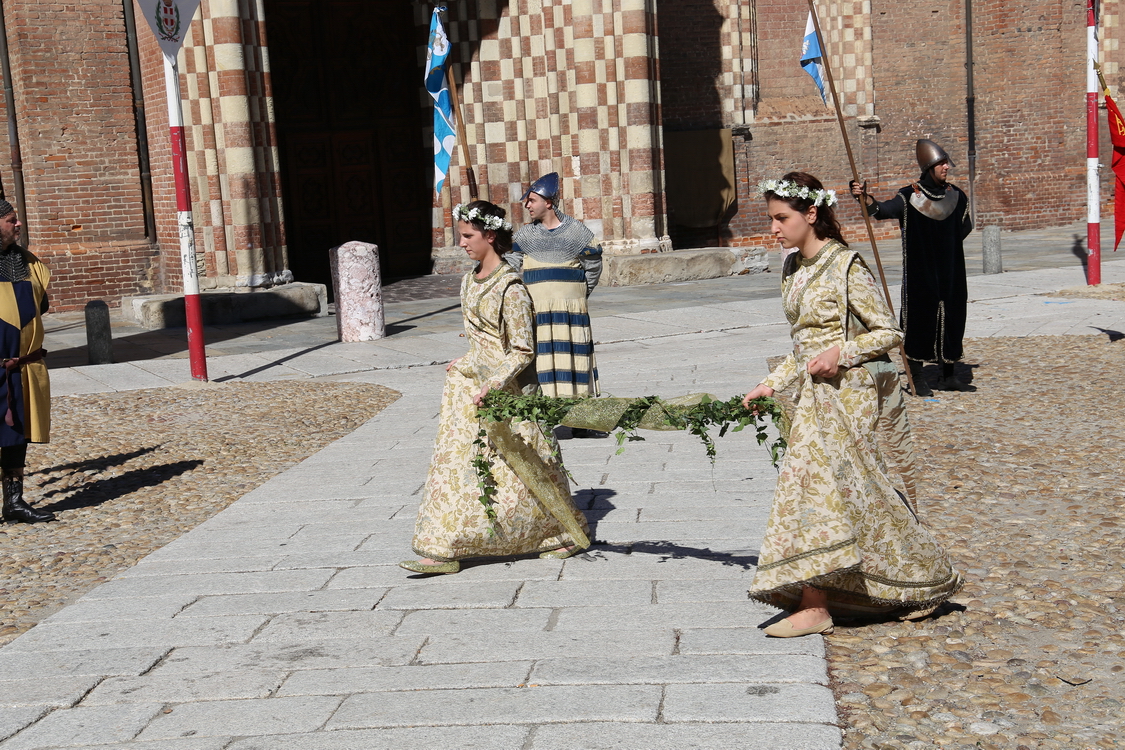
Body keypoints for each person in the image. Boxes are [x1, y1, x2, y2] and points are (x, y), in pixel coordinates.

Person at [742, 173, 962, 637]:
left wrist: (841, 353)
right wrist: (770, 383)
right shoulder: (792, 269)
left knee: (821, 489)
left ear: (811, 214)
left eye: (782, 218)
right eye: (772, 219)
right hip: (811, 397)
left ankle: (816, 603)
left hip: (848, 395)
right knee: (852, 493)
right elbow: (800, 345)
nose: (775, 228)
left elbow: (889, 331)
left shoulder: (846, 267)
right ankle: (917, 580)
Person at [401, 200, 590, 574]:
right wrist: (466, 360)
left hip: (510, 391)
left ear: (490, 236)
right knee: (459, 468)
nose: (463, 243)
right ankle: (445, 547)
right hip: (471, 387)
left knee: (530, 462)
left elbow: (521, 351)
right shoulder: (469, 280)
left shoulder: (512, 288)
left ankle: (562, 535)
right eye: (461, 236)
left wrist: (493, 382)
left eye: (468, 236)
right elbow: (481, 338)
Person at [850, 139, 973, 395]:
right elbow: (881, 210)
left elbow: (965, 227)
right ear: (929, 167)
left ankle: (948, 375)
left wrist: (945, 247)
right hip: (921, 273)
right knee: (919, 320)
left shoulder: (957, 196)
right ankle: (917, 377)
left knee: (952, 318)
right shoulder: (909, 197)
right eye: (940, 164)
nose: (946, 167)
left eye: (946, 163)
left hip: (951, 272)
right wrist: (864, 197)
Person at [506, 173, 604, 436]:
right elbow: (511, 268)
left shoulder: (577, 232)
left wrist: (578, 295)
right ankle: (543, 418)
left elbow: (593, 267)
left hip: (570, 312)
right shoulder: (525, 235)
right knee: (542, 365)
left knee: (574, 363)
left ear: (549, 202)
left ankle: (580, 421)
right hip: (538, 312)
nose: (527, 205)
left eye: (532, 200)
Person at [0, 200, 54, 524]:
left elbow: (41, 305)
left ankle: (14, 501)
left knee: (16, 435)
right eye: (11, 220)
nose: (18, 225)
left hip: (20, 366)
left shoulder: (26, 263)